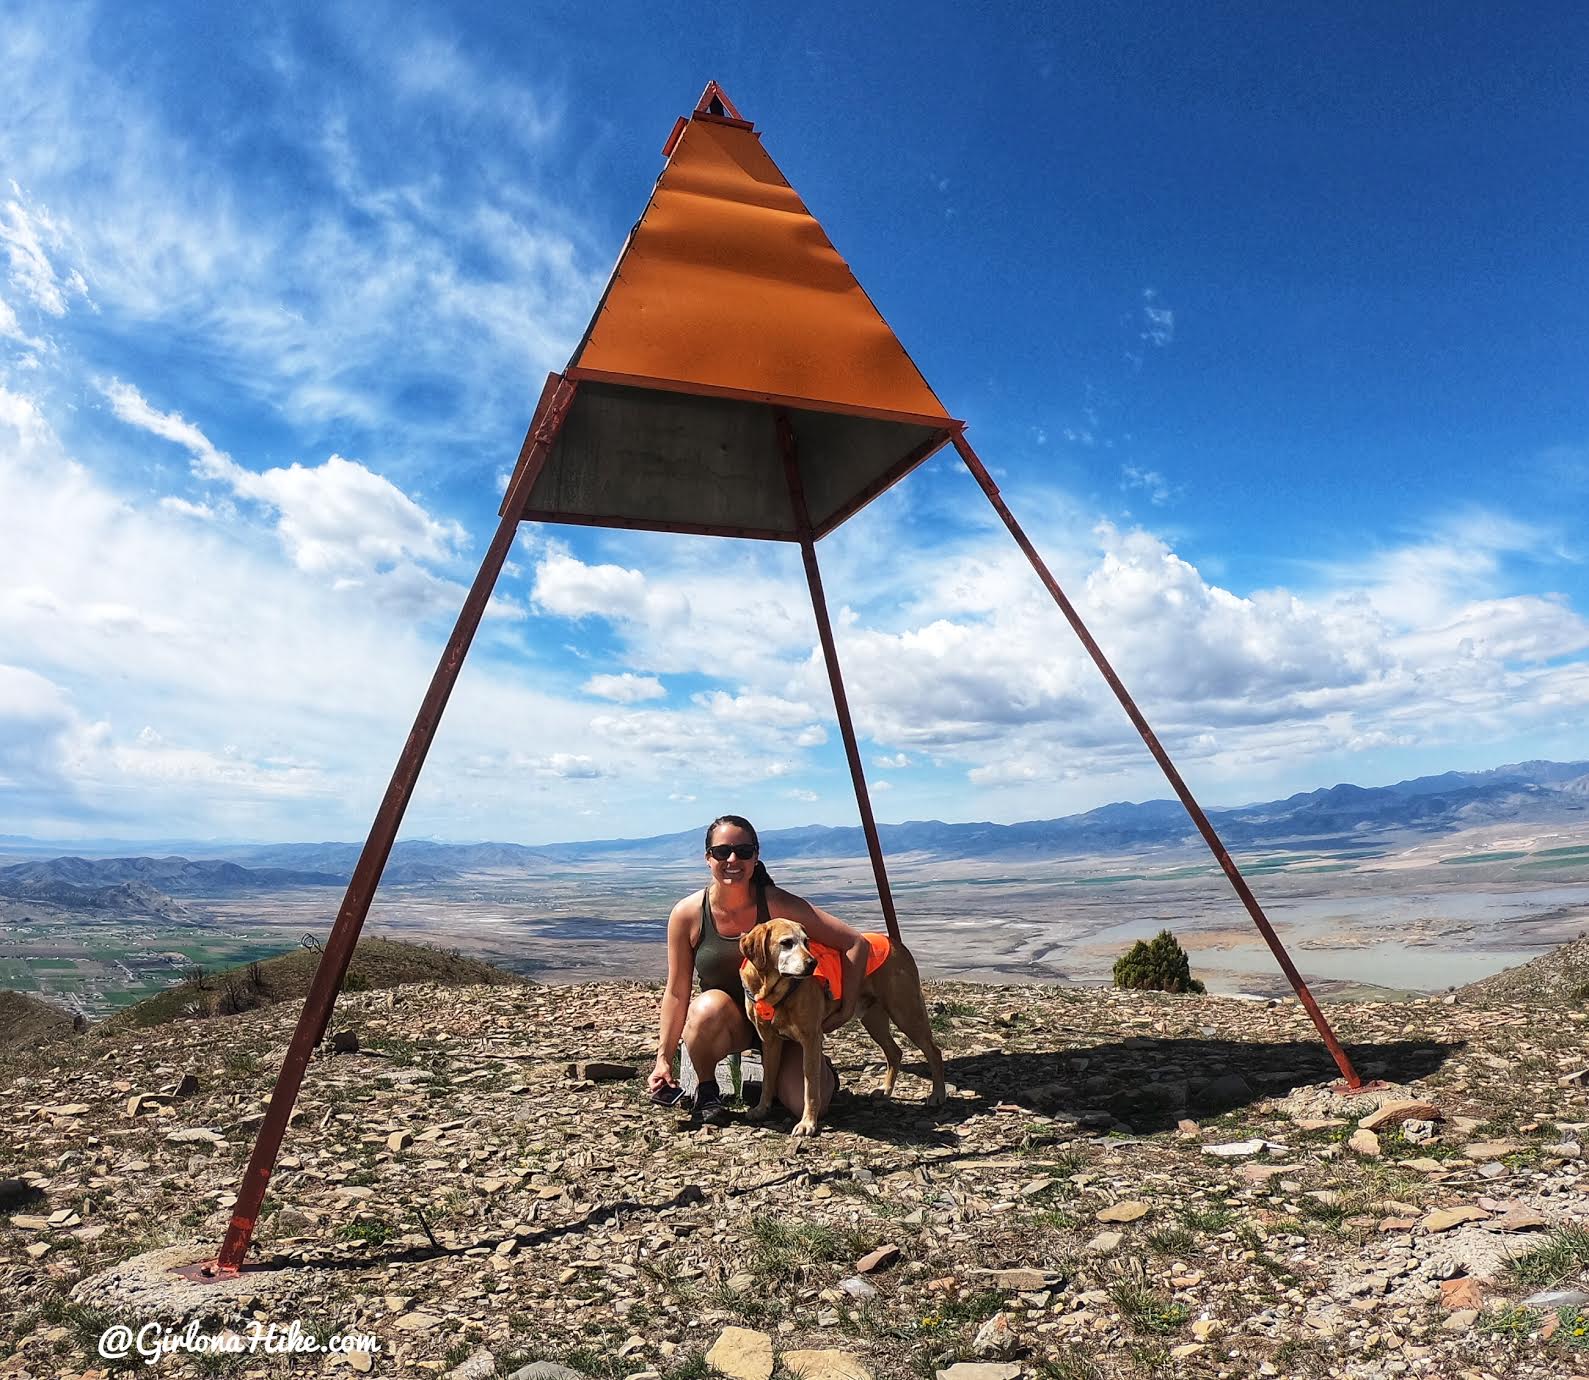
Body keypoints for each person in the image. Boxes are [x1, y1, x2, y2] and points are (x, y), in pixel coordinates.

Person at [647, 814, 869, 1125]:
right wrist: (662, 1060)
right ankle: (708, 1090)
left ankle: (806, 1069)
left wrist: (845, 1008)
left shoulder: (780, 906)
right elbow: (676, 991)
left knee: (808, 1107)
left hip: (787, 1024)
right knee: (705, 1007)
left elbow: (855, 944)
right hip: (732, 1023)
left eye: (744, 851)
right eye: (723, 852)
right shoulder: (688, 914)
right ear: (708, 857)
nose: (733, 860)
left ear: (756, 856)